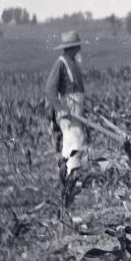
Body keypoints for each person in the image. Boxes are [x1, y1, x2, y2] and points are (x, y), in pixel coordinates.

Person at [45, 30, 88, 183]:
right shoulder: (61, 63)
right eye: (77, 47)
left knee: (77, 140)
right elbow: (50, 91)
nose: (79, 49)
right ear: (71, 48)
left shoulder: (74, 63)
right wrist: (61, 109)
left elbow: (78, 91)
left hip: (77, 108)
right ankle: (70, 177)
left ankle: (72, 175)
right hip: (67, 110)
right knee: (73, 141)